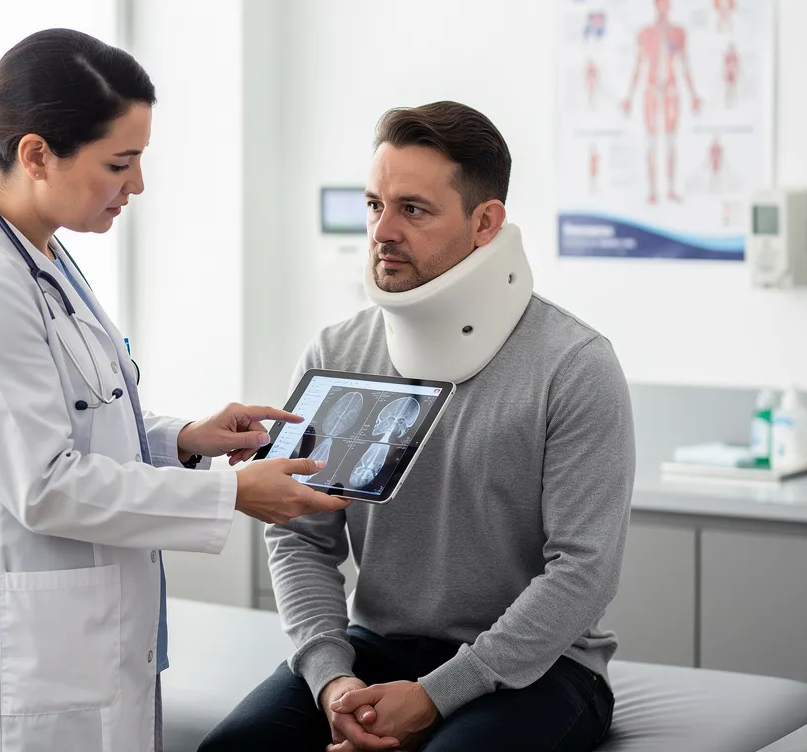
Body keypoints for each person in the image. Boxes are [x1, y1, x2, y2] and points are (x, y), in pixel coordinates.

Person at [0, 28, 347, 752]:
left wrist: (183, 440)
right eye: (119, 163)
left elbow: (82, 419)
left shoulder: (42, 257)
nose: (137, 186)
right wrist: (230, 493)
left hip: (79, 643)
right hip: (20, 658)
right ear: (37, 155)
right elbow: (44, 486)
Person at [199, 101, 634, 751]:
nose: (382, 231)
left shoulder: (573, 365)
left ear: (485, 223)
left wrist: (436, 696)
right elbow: (300, 538)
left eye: (413, 209)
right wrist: (332, 679)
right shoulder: (336, 353)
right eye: (374, 205)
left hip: (542, 669)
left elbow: (582, 571)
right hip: (376, 649)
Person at [621, 0, 702, 204]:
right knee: (651, 141)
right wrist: (629, 96)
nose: (664, 8)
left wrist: (693, 94)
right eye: (660, 4)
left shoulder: (678, 33)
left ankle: (670, 189)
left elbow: (685, 65)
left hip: (671, 91)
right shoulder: (644, 34)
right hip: (651, 90)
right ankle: (652, 190)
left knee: (670, 141)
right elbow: (638, 66)